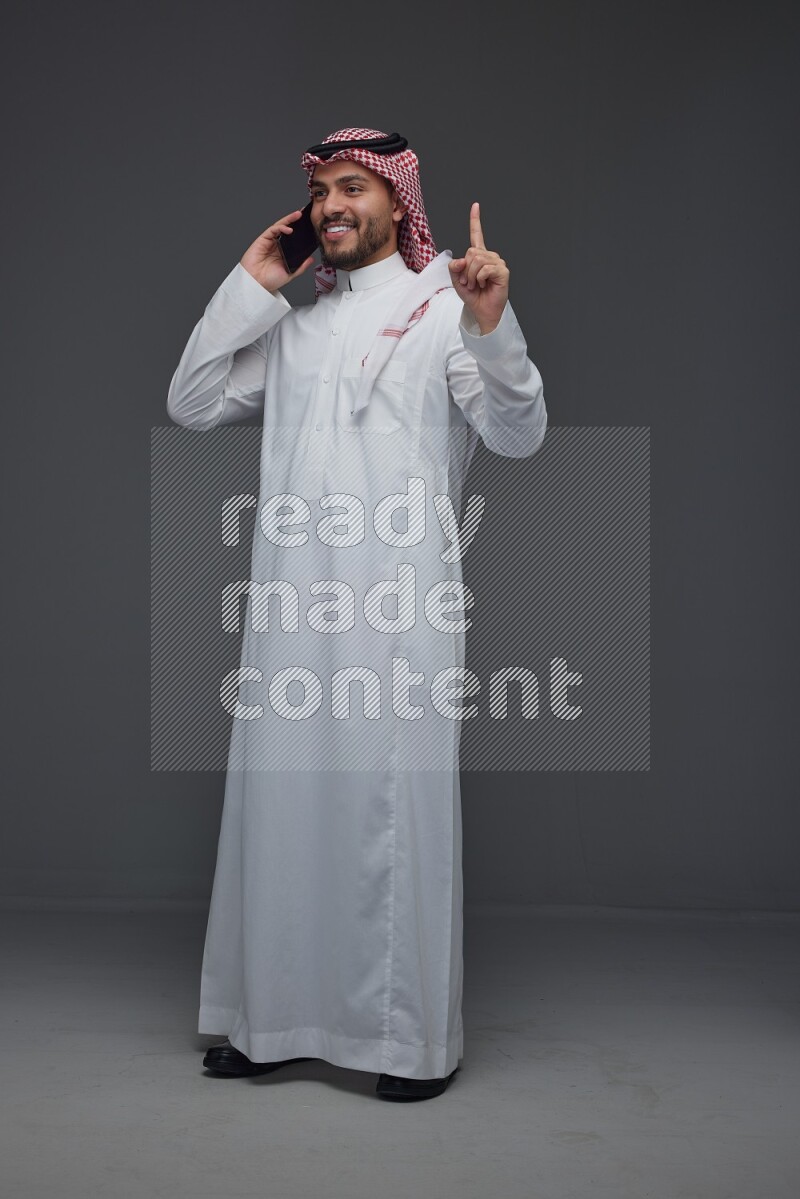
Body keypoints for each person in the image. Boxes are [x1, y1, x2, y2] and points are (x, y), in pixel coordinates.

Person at [166, 127, 547, 1102]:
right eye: (320, 190)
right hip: (289, 608)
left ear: (396, 202)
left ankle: (409, 1040)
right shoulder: (291, 329)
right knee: (280, 809)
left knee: (392, 815)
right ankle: (267, 1023)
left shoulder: (440, 311)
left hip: (396, 608)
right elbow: (193, 397)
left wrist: (492, 324)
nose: (333, 205)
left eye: (353, 188)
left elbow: (517, 431)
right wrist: (251, 282)